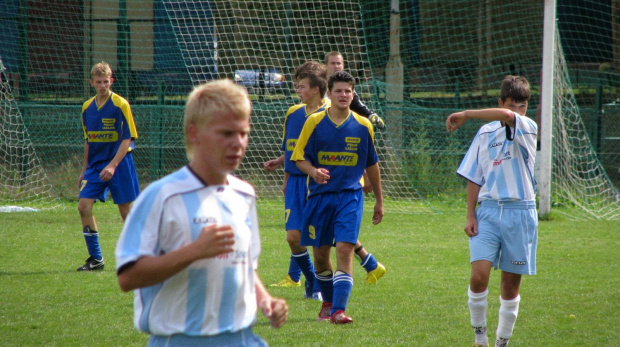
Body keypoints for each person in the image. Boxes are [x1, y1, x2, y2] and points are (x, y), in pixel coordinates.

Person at [115, 79, 288, 346]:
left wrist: (266, 301)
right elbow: (128, 277)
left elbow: (244, 266)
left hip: (242, 338)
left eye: (243, 133)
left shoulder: (245, 194)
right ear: (194, 134)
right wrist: (195, 250)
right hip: (181, 339)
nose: (238, 143)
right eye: (226, 133)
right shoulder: (162, 196)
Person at [445, 75, 538, 347]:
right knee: (478, 276)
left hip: (520, 213)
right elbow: (474, 176)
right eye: (512, 105)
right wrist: (470, 215)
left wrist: (465, 113)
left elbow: (508, 115)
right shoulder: (485, 133)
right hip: (488, 212)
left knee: (510, 286)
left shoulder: (528, 127)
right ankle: (480, 339)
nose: (516, 111)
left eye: (522, 106)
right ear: (500, 102)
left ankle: (502, 342)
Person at [291, 71, 384, 324]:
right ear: (329, 94)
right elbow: (299, 158)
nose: (344, 95)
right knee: (321, 256)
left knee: (344, 248)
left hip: (350, 197)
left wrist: (379, 200)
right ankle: (329, 302)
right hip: (320, 197)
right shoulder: (313, 122)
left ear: (353, 95)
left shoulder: (363, 125)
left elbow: (372, 164)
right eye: (339, 91)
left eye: (348, 91)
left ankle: (338, 311)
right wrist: (313, 171)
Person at [263, 61, 326, 300]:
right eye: (297, 86)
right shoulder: (293, 113)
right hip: (296, 183)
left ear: (316, 88)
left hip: (319, 184)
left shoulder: (330, 113)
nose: (298, 91)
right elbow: (292, 149)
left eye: (301, 86)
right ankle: (312, 281)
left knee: (319, 241)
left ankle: (322, 285)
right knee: (293, 238)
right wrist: (283, 169)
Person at [77, 61, 140, 271]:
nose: (103, 85)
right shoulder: (86, 108)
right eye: (99, 82)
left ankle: (140, 256)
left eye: (106, 81)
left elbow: (128, 138)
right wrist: (84, 170)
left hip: (120, 164)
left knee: (125, 211)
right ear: (92, 83)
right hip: (96, 165)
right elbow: (88, 141)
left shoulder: (121, 104)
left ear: (111, 81)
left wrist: (113, 165)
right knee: (83, 206)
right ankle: (96, 259)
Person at [324, 51, 385, 130]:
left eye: (338, 63)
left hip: (342, 128)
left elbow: (357, 106)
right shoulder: (318, 86)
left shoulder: (348, 86)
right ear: (325, 66)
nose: (336, 66)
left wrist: (371, 116)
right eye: (333, 63)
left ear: (343, 66)